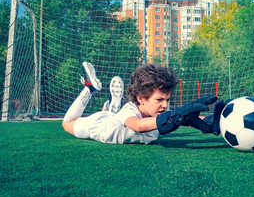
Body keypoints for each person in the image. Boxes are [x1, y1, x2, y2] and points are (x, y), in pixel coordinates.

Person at [62, 62, 222, 144]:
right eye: (159, 100)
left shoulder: (159, 112)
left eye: (167, 99)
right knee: (67, 123)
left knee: (111, 113)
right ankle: (90, 89)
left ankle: (111, 106)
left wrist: (215, 121)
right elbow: (138, 126)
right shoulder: (130, 110)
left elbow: (181, 117)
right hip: (99, 126)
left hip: (114, 118)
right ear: (140, 98)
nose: (165, 105)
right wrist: (176, 115)